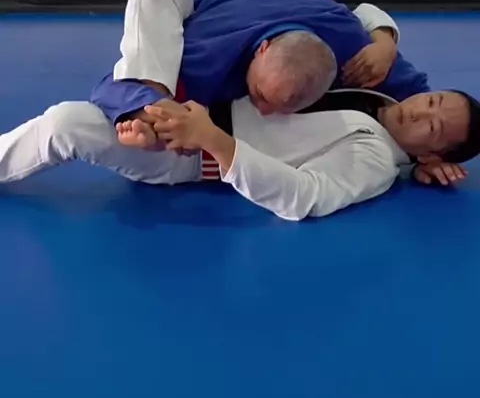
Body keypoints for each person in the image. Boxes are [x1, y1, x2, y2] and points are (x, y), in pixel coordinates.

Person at [0, 87, 478, 220]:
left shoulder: (373, 159)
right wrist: (384, 35)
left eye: (432, 128)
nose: (420, 112)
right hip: (195, 102)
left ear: (432, 156)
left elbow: (304, 197)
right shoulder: (383, 93)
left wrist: (211, 139)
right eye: (432, 101)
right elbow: (368, 15)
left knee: (67, 123)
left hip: (190, 152)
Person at [90, 0, 428, 137]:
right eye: (262, 95)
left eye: (280, 106)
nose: (264, 111)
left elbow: (425, 100)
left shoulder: (354, 50)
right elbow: (109, 87)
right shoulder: (206, 54)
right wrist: (155, 110)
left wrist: (436, 155)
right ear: (262, 50)